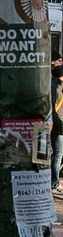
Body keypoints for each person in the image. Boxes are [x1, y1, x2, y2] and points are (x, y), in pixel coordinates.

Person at [51, 57, 63, 196]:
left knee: (57, 154)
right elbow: (54, 109)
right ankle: (54, 182)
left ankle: (54, 181)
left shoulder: (53, 85)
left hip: (56, 124)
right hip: (58, 125)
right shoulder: (57, 88)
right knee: (58, 154)